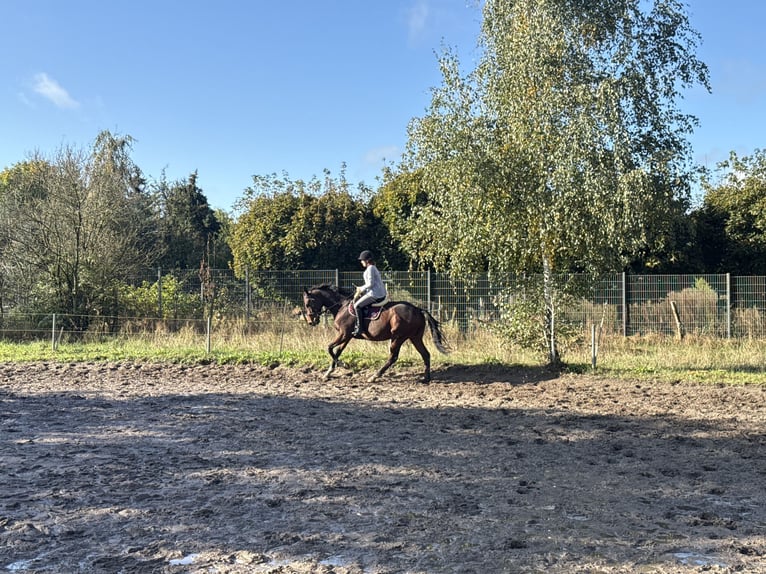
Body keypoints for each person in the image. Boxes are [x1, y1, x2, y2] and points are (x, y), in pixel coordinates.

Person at [352, 250, 387, 337]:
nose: (361, 262)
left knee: (357, 306)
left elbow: (370, 284)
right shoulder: (372, 268)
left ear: (367, 260)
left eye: (362, 260)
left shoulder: (371, 268)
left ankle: (360, 329)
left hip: (375, 294)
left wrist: (360, 289)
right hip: (374, 292)